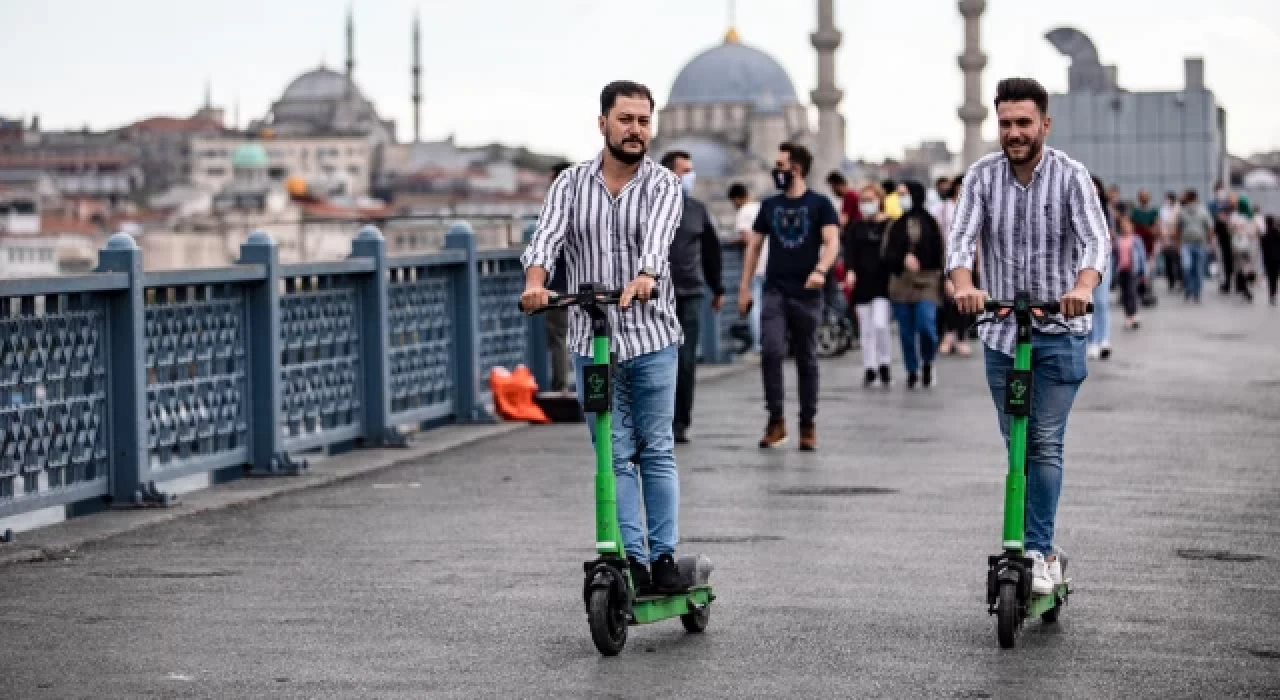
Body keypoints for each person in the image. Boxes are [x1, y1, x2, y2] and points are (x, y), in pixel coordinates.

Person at [519, 80, 686, 594]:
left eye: (643, 121)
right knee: (611, 454)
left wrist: (646, 276)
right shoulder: (569, 184)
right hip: (592, 338)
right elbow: (546, 238)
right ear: (603, 123)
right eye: (626, 120)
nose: (636, 130)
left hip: (651, 336)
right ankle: (631, 558)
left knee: (655, 449)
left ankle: (663, 557)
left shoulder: (664, 185)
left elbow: (658, 240)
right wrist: (536, 283)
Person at [947, 77, 1109, 597]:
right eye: (1006, 123)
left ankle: (1036, 551)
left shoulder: (1071, 176)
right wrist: (965, 284)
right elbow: (960, 241)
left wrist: (1083, 286)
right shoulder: (981, 177)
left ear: (1044, 124)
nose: (1014, 133)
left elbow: (1094, 240)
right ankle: (1040, 546)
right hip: (1000, 331)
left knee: (1042, 441)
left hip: (1059, 331)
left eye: (1023, 122)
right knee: (1016, 445)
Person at [737, 142, 840, 450]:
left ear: (796, 169)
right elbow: (753, 247)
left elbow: (832, 242)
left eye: (780, 165)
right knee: (771, 351)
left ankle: (807, 423)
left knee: (807, 358)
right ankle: (776, 420)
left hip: (807, 293)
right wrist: (744, 288)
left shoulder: (820, 204)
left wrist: (820, 270)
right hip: (775, 290)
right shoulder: (769, 206)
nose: (776, 171)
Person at [660, 150, 724, 444]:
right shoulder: (650, 207)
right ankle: (655, 421)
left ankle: (680, 422)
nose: (690, 176)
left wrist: (718, 288)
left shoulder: (697, 210)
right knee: (656, 361)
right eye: (685, 170)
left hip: (691, 292)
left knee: (686, 361)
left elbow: (712, 252)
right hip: (655, 296)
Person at [884, 180, 945, 389]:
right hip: (901, 284)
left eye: (905, 194)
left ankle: (928, 360)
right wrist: (902, 259)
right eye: (899, 194)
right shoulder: (895, 224)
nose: (902, 199)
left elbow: (941, 253)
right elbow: (886, 254)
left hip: (927, 281)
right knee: (906, 331)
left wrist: (948, 280)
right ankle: (912, 369)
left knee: (926, 324)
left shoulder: (931, 223)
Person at [842, 182, 894, 387]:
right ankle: (870, 367)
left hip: (882, 282)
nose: (866, 205)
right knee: (866, 328)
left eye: (870, 201)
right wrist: (850, 272)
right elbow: (849, 253)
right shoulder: (855, 227)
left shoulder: (889, 225)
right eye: (863, 201)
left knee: (881, 324)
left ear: (879, 201)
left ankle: (884, 362)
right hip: (861, 282)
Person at [542, 161, 574, 393]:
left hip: (559, 285)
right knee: (598, 338)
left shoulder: (555, 209)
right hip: (588, 284)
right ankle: (604, 389)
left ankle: (560, 388)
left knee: (559, 339)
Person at [936, 175, 973, 357]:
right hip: (947, 258)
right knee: (948, 300)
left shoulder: (973, 206)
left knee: (965, 300)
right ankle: (948, 335)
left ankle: (961, 336)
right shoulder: (942, 209)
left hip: (969, 260)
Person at [729, 183, 764, 352]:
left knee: (753, 305)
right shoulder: (761, 207)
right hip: (770, 264)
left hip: (755, 266)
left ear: (737, 199)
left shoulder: (744, 211)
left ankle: (759, 344)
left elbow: (747, 238)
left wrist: (734, 241)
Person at [1087, 176, 1114, 360]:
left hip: (1104, 260)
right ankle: (1092, 341)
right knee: (1089, 303)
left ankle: (1104, 339)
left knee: (1102, 302)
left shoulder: (1106, 211)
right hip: (1085, 261)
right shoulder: (1080, 209)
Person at [1177, 189, 1213, 303]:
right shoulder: (1182, 212)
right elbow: (1178, 228)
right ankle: (1189, 288)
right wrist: (1177, 243)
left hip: (1200, 244)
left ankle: (1197, 293)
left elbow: (1209, 227)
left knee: (1198, 270)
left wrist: (1210, 241)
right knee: (1187, 267)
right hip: (1186, 244)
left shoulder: (1203, 211)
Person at [1113, 216, 1147, 330]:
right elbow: (1115, 256)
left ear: (1131, 227)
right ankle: (1128, 316)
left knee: (1132, 293)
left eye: (1127, 226)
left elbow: (1142, 256)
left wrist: (1143, 272)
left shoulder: (1136, 239)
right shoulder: (1118, 240)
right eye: (1123, 226)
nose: (1125, 228)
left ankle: (1134, 315)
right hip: (1122, 270)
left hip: (1133, 270)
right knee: (1125, 295)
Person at [1158, 190, 1183, 292]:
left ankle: (1180, 281)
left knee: (1178, 261)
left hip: (1177, 238)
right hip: (1166, 238)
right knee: (1168, 261)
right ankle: (1171, 282)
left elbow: (1180, 224)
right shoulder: (1163, 209)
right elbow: (1161, 223)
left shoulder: (1179, 208)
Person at [1261, 215, 1280, 306]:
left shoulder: (1264, 236)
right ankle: (1274, 294)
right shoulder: (1277, 234)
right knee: (1275, 277)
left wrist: (1264, 262)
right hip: (1277, 259)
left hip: (1268, 260)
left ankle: (1271, 295)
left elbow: (1263, 251)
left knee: (1270, 278)